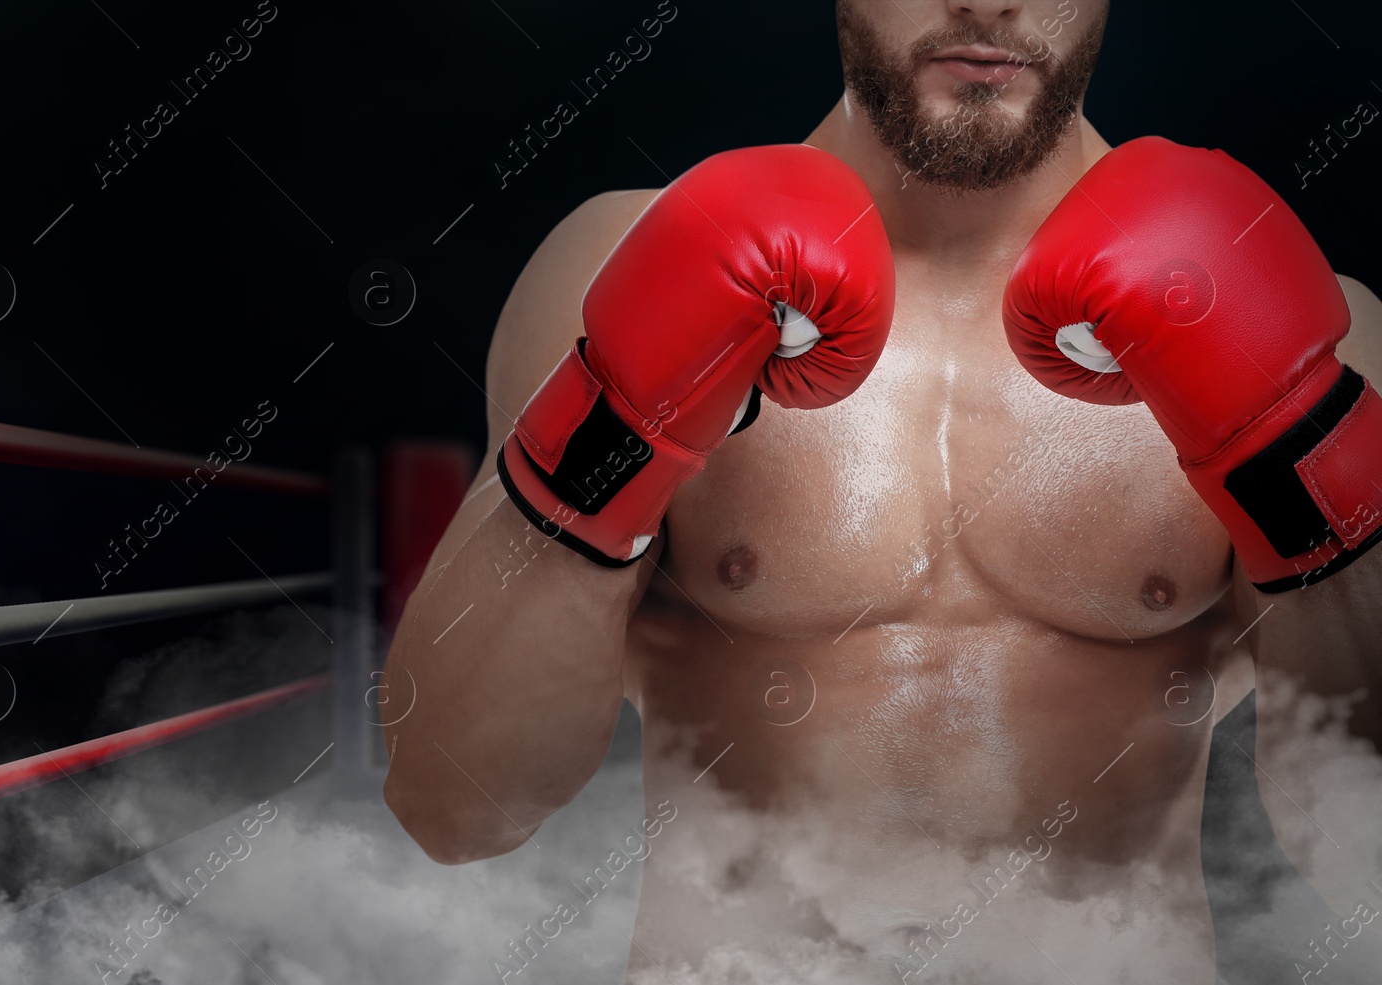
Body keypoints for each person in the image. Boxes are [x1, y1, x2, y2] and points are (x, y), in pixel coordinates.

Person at [381, 1, 1382, 981]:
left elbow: (1363, 862)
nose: (988, 2)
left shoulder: (1308, 331)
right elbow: (455, 805)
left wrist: (1297, 436)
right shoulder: (618, 266)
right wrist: (618, 420)